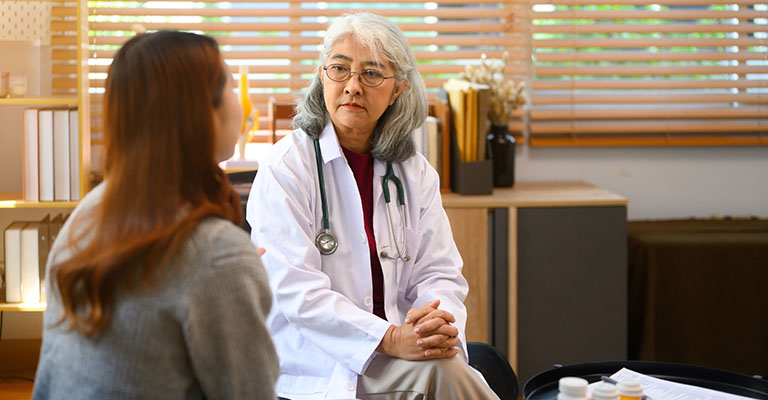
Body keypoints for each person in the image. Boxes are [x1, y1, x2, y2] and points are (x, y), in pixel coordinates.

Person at [247, 12, 499, 400]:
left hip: (399, 356)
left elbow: (440, 274)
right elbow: (295, 291)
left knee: (446, 368)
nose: (352, 86)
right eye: (339, 69)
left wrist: (436, 322)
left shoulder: (414, 172)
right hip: (316, 364)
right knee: (449, 376)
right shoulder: (287, 167)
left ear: (397, 89)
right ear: (321, 76)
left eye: (371, 73)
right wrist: (392, 337)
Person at [33, 30, 279, 399]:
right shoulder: (217, 254)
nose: (241, 103)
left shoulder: (91, 211)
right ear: (200, 111)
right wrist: (237, 274)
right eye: (229, 85)